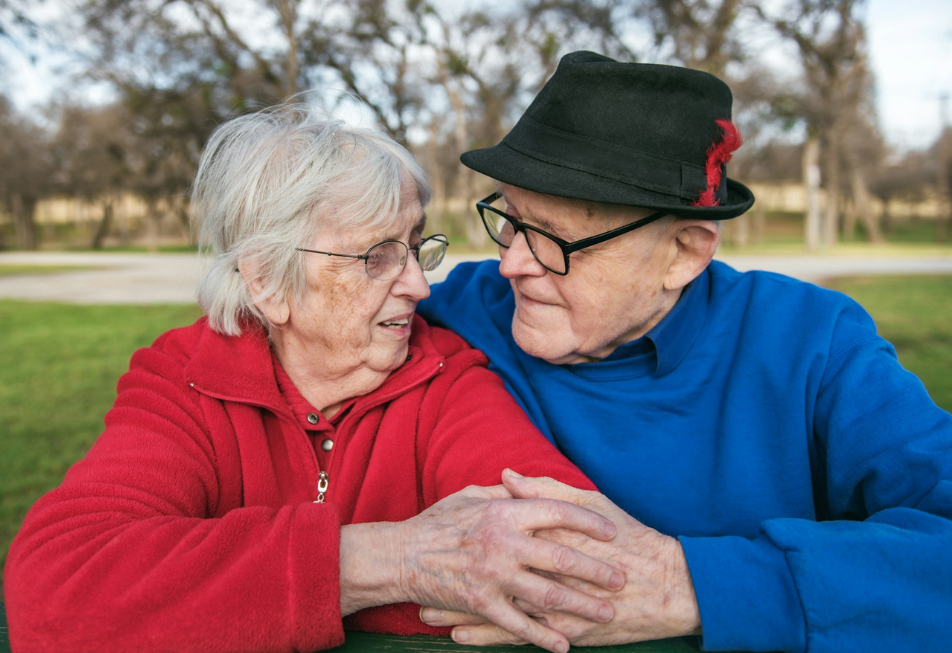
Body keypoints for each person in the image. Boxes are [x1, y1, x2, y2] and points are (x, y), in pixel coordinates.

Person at [3, 104, 629, 653]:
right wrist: (396, 562)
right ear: (267, 280)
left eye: (415, 246)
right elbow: (56, 597)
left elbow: (573, 565)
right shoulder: (186, 382)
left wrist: (203, 601)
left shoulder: (446, 377)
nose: (418, 284)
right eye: (375, 256)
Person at [417, 51, 952, 652]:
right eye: (511, 220)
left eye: (555, 240)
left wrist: (688, 584)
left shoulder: (809, 342)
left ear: (685, 254)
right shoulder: (450, 310)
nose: (511, 263)